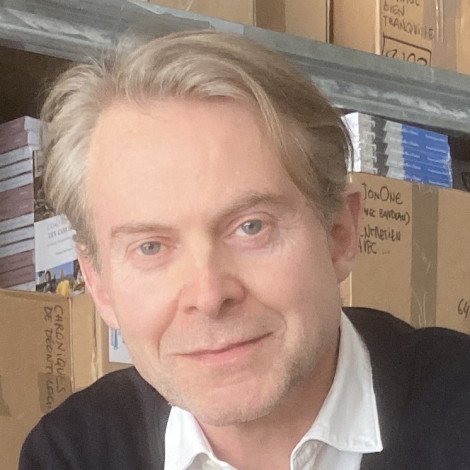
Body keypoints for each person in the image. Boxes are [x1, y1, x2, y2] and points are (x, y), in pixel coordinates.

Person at [20, 30, 469, 470]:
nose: (209, 296)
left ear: (340, 233)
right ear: (98, 284)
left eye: (251, 227)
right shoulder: (71, 453)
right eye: (151, 247)